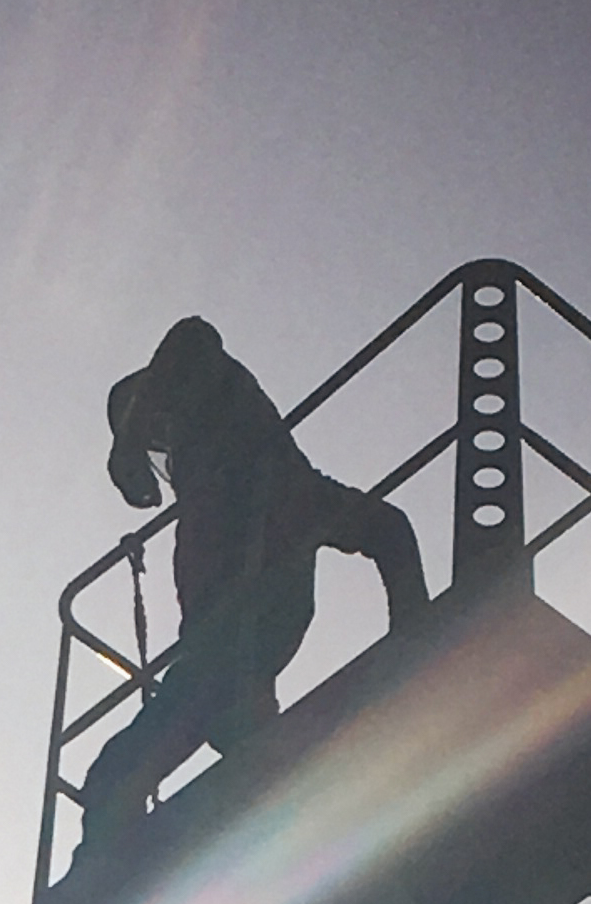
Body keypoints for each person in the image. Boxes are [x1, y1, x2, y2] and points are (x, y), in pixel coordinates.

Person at [76, 316, 428, 845]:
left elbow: (192, 335)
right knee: (169, 754)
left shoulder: (243, 461)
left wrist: (127, 445)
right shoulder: (242, 495)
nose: (163, 445)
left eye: (157, 428)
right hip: (232, 663)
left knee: (114, 779)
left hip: (226, 656)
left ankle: (99, 874)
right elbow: (388, 530)